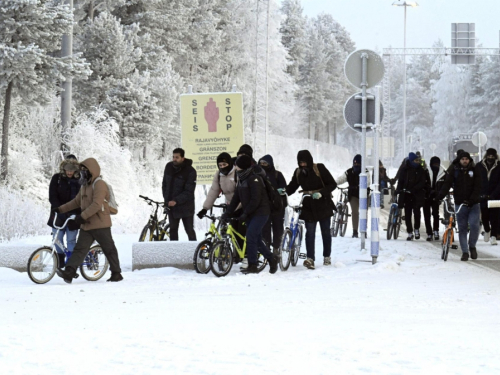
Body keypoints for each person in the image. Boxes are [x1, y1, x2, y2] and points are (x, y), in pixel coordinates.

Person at [54, 158, 123, 283]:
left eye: (84, 170)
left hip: (101, 224)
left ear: (92, 170)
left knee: (109, 248)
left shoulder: (99, 184)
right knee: (80, 249)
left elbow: (97, 204)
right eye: (81, 170)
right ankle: (69, 272)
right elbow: (76, 202)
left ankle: (116, 273)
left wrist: (81, 217)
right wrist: (60, 209)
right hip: (87, 225)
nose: (81, 172)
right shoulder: (85, 185)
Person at [279, 150, 337, 269]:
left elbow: (332, 184)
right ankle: (310, 258)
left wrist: (321, 193)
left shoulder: (319, 168)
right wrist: (285, 190)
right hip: (308, 205)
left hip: (323, 204)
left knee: (325, 232)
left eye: (305, 163)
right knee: (310, 233)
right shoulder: (298, 172)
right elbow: (293, 186)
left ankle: (327, 256)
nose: (303, 165)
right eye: (301, 163)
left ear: (309, 161)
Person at [222, 155, 278, 274]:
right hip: (251, 213)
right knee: (256, 239)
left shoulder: (254, 179)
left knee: (250, 236)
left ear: (242, 166)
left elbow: (255, 200)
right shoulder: (242, 179)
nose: (235, 166)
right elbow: (236, 199)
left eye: (236, 164)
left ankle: (253, 265)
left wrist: (245, 213)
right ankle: (271, 258)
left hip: (261, 212)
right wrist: (227, 213)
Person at [437, 152, 482, 261]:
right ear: (459, 160)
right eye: (463, 159)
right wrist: (439, 196)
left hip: (474, 203)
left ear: (469, 160)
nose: (465, 161)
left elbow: (478, 186)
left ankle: (472, 246)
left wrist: (472, 199)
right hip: (460, 203)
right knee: (462, 228)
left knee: (474, 225)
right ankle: (465, 252)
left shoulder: (475, 169)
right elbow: (447, 184)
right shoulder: (454, 170)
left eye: (466, 159)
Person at [47, 154, 81, 268]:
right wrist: (59, 209)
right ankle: (60, 259)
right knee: (57, 238)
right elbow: (52, 195)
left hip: (73, 215)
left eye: (72, 170)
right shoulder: (57, 178)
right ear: (64, 168)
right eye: (67, 169)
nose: (69, 172)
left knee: (71, 239)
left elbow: (82, 199)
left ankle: (70, 264)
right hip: (58, 214)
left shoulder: (80, 181)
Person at [162, 148, 197, 241]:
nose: (174, 159)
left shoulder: (190, 171)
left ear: (183, 158)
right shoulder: (169, 167)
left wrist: (176, 200)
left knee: (189, 230)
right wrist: (166, 200)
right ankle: (173, 252)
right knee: (173, 230)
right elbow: (164, 184)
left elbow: (189, 191)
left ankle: (195, 250)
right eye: (173, 157)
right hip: (171, 206)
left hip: (186, 206)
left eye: (177, 157)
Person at [396, 152, 429, 241]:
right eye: (415, 160)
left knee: (417, 212)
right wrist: (398, 190)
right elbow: (401, 181)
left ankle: (416, 228)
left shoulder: (421, 170)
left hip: (417, 194)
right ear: (411, 161)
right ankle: (409, 231)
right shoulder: (404, 170)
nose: (417, 162)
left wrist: (414, 189)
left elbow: (423, 182)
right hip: (406, 194)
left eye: (418, 160)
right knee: (407, 214)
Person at [258, 154, 287, 254]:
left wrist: (280, 191)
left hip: (277, 206)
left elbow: (284, 188)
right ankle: (266, 249)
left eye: (265, 163)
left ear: (270, 164)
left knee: (277, 227)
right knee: (265, 228)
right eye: (261, 163)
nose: (263, 165)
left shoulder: (277, 175)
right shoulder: (258, 175)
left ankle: (276, 248)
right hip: (264, 206)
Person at [335, 154, 369, 238]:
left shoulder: (366, 173)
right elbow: (341, 179)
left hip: (363, 195)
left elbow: (367, 183)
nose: (356, 165)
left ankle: (363, 230)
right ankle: (355, 231)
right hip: (353, 195)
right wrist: (333, 183)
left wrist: (362, 187)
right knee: (354, 212)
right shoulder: (349, 172)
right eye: (355, 164)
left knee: (363, 212)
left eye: (358, 164)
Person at [197, 152, 236, 218]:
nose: (222, 167)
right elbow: (214, 191)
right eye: (220, 165)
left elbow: (242, 193)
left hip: (242, 206)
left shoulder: (236, 173)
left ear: (229, 163)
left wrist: (233, 209)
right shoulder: (218, 175)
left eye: (224, 164)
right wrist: (205, 209)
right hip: (230, 206)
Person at [476, 148, 500, 245]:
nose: (491, 158)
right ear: (486, 156)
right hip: (483, 195)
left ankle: (493, 236)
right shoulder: (479, 166)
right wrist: (480, 193)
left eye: (492, 156)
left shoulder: (499, 166)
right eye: (489, 156)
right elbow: (476, 180)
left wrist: (494, 194)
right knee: (484, 216)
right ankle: (487, 229)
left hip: (496, 196)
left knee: (495, 217)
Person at [424, 156, 446, 241]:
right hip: (426, 196)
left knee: (435, 214)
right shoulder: (426, 172)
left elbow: (444, 185)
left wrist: (439, 193)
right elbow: (423, 183)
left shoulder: (442, 173)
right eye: (434, 164)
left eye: (437, 164)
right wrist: (429, 190)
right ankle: (429, 233)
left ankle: (436, 230)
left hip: (436, 197)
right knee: (427, 215)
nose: (435, 166)